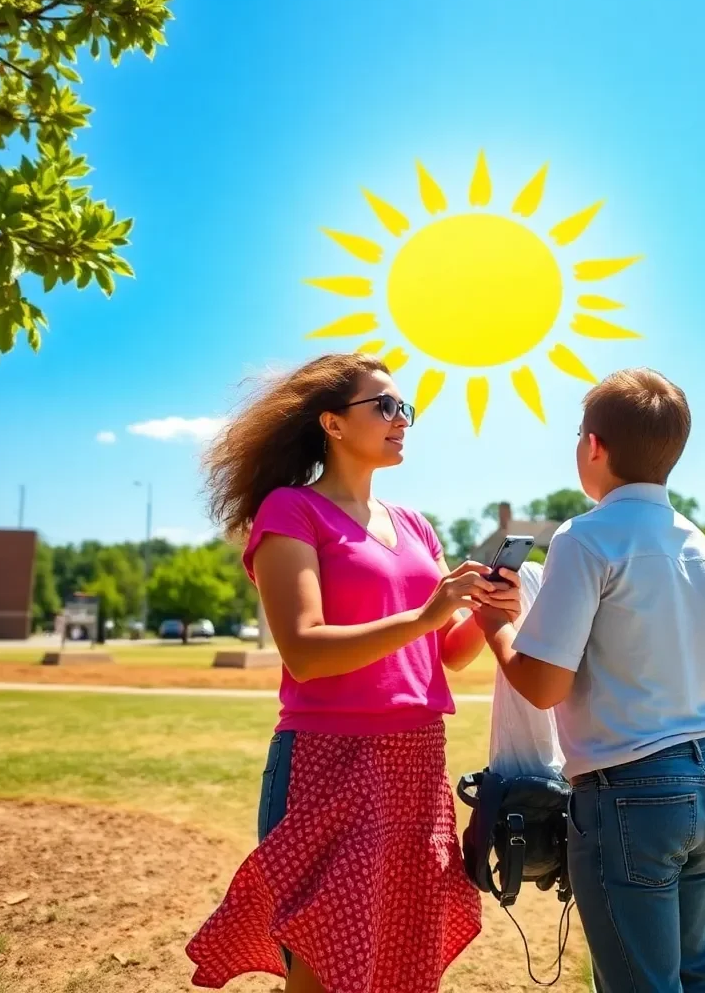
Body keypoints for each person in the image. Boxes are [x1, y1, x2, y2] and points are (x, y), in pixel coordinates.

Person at [185, 353, 521, 993]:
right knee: (324, 961)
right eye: (385, 406)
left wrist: (483, 611)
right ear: (333, 425)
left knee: (403, 954)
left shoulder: (416, 524)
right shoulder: (292, 511)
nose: (402, 420)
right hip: (328, 761)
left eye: (406, 410)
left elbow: (443, 654)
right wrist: (427, 615)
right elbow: (305, 651)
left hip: (417, 763)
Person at [479, 368, 705, 993]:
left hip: (630, 791)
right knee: (696, 976)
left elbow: (542, 686)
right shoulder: (702, 547)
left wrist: (495, 627)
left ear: (593, 444)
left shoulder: (586, 537)